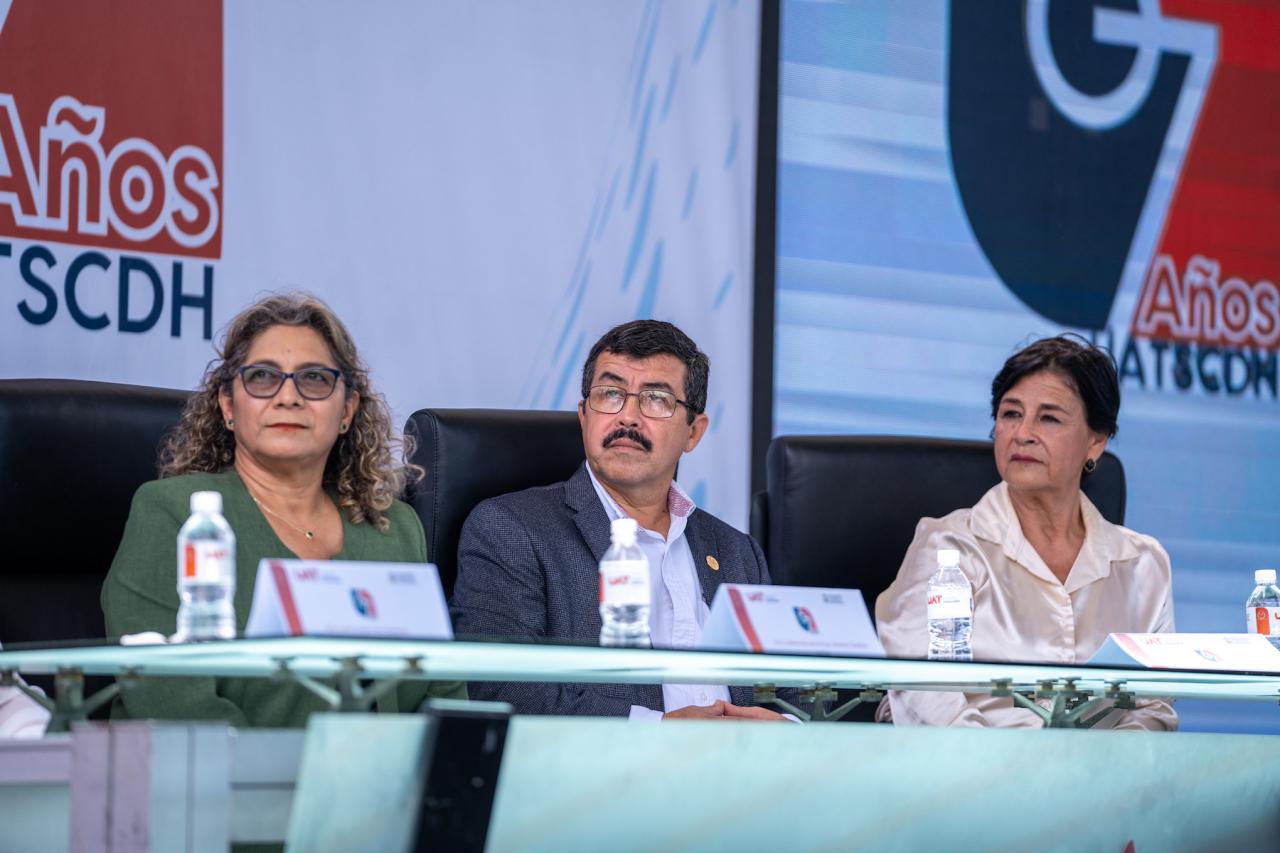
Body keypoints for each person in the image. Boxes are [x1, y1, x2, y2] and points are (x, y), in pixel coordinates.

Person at [102, 293, 465, 727]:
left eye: (314, 379)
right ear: (228, 405)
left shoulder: (394, 527)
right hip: (216, 770)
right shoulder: (174, 514)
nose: (288, 397)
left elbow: (444, 694)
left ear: (347, 409)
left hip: (381, 769)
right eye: (262, 377)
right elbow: (173, 703)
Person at [451, 320, 784, 720]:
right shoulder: (510, 529)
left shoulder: (737, 552)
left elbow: (791, 687)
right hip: (602, 761)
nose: (627, 417)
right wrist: (658, 730)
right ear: (583, 415)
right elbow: (505, 690)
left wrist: (788, 726)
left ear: (693, 432)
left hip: (747, 758)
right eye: (610, 394)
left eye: (656, 399)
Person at [876, 336, 1176, 729]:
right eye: (1011, 414)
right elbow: (924, 697)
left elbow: (1153, 710)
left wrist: (1106, 765)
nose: (1023, 433)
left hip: (1104, 769)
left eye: (1049, 418)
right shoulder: (948, 548)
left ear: (1096, 442)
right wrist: (1013, 767)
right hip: (974, 765)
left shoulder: (1143, 565)